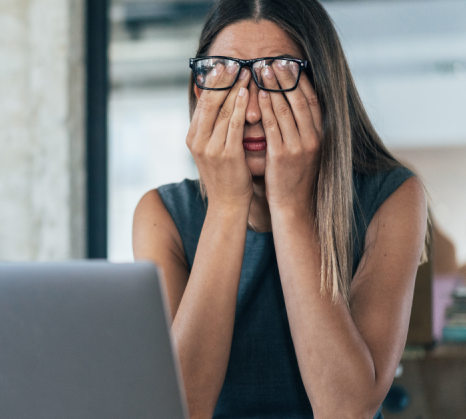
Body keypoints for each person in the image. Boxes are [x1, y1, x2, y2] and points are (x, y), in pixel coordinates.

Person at [131, 0, 429, 418]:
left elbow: (345, 409)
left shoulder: (393, 198)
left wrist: (289, 205)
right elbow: (180, 408)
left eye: (279, 76)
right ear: (201, 91)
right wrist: (228, 205)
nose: (252, 111)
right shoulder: (162, 214)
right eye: (227, 78)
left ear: (322, 90)